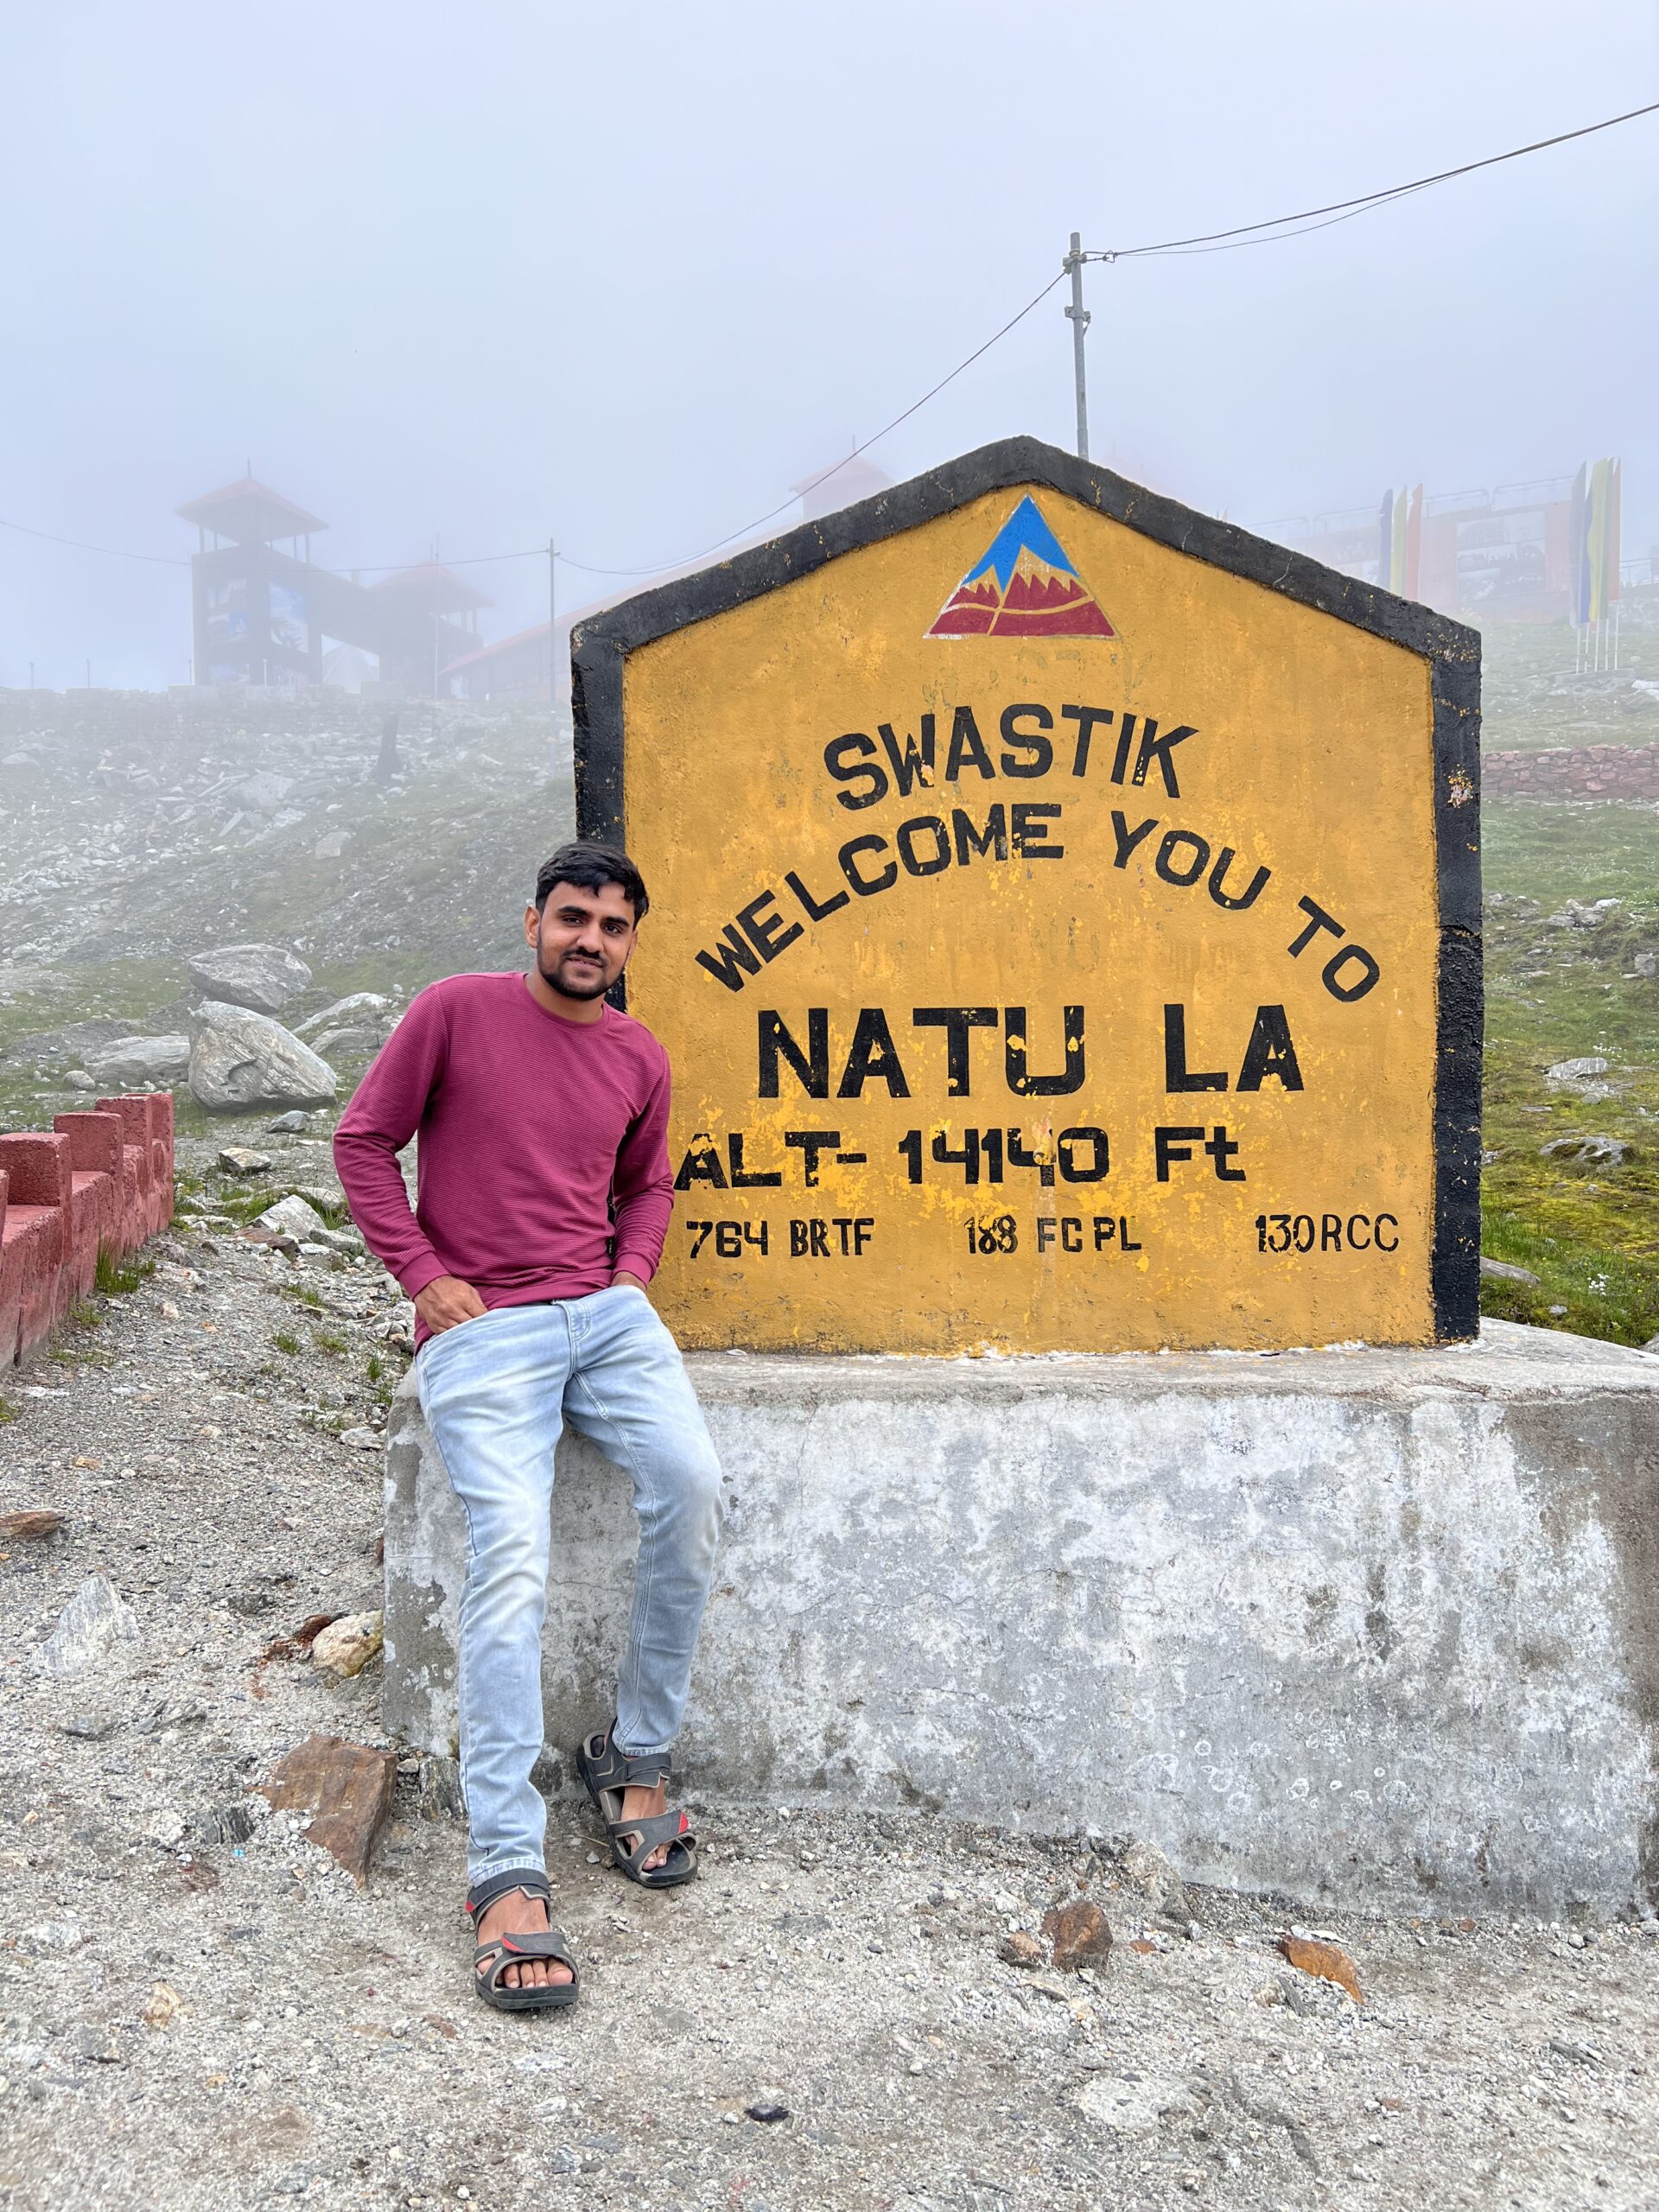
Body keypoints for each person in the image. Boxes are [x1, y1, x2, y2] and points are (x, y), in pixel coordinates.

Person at [334, 841, 723, 2013]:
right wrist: (423, 1276)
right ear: (533, 922)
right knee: (512, 1552)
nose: (589, 940)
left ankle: (633, 1754)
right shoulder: (454, 1013)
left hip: (605, 1321)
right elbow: (362, 1142)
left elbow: (648, 1183)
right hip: (485, 1330)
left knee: (693, 1492)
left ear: (631, 941)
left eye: (612, 925)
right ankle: (505, 1866)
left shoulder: (639, 1054)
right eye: (571, 918)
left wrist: (632, 1277)